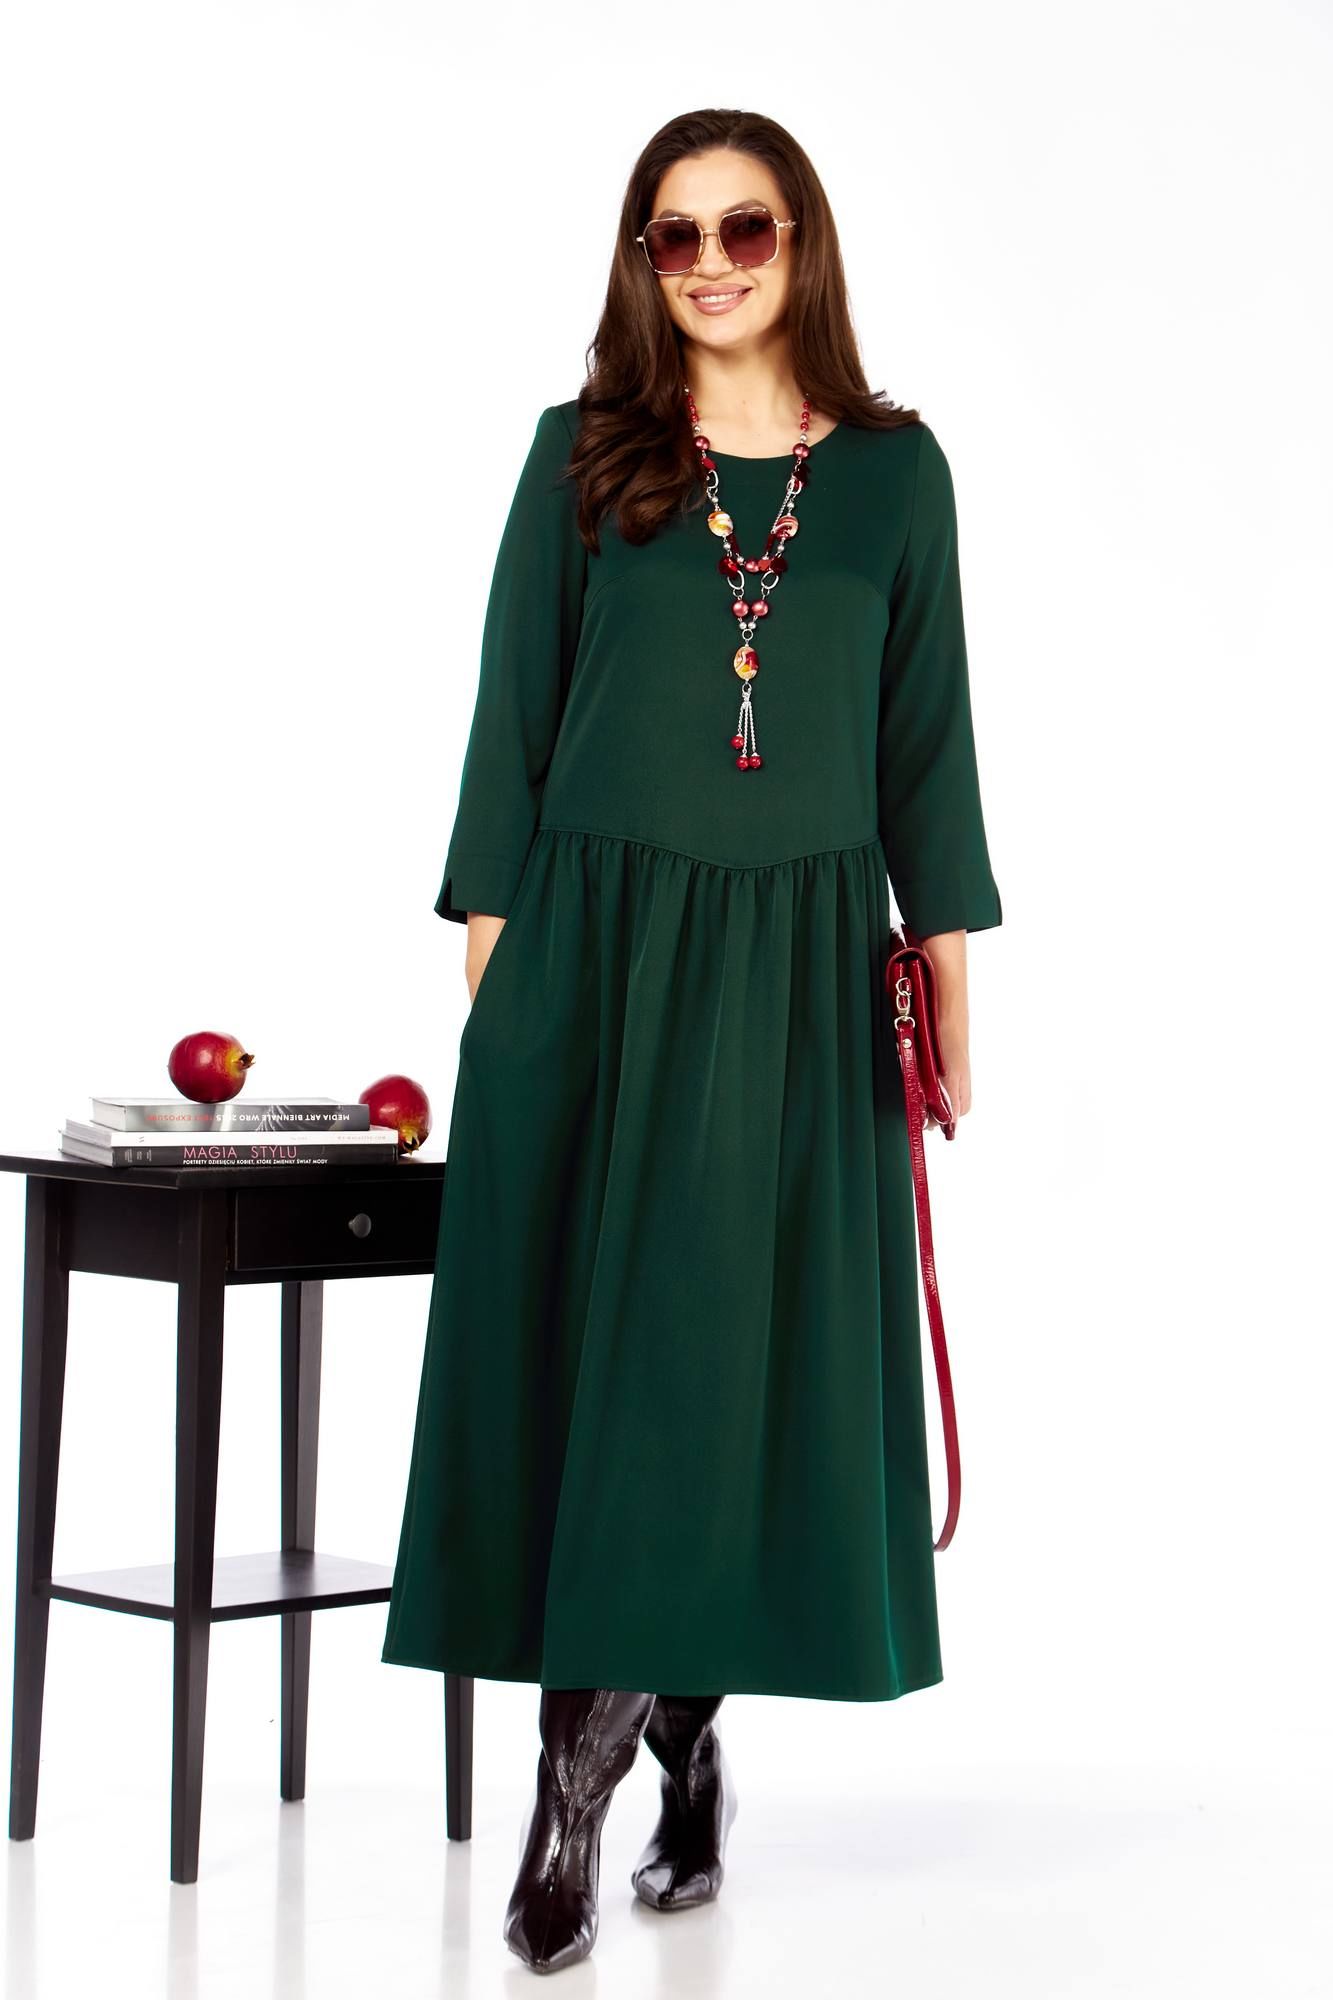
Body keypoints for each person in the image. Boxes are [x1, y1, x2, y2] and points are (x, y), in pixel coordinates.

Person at [380, 105, 1003, 1976]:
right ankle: (581, 1801)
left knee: (712, 1378)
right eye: (676, 234)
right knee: (597, 1381)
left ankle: (665, 1756)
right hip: (587, 963)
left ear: (800, 241)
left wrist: (949, 1001)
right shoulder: (579, 455)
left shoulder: (894, 475)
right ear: (640, 259)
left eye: (746, 227)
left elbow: (926, 747)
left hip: (799, 975)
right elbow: (509, 720)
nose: (713, 262)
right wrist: (502, 982)